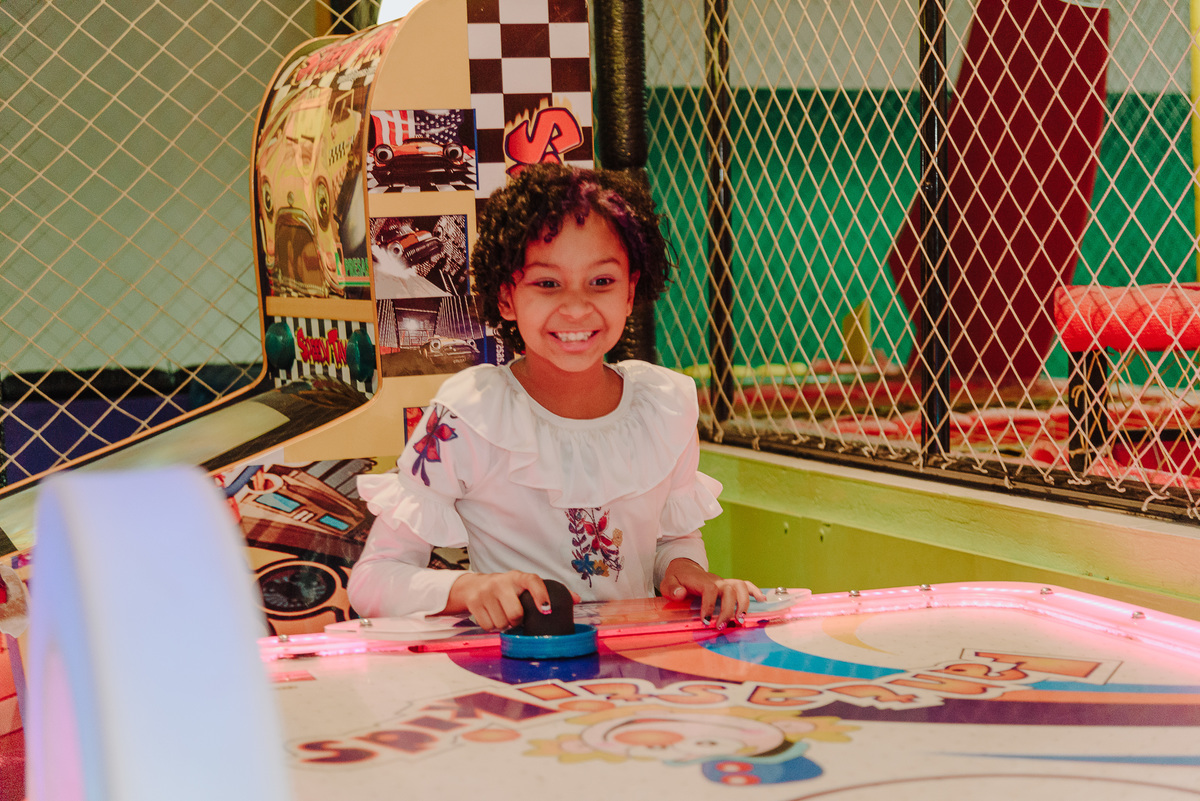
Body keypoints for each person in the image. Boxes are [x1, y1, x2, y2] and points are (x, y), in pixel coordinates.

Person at [348, 164, 764, 630]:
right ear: (506, 297)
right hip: (513, 683)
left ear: (630, 292)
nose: (576, 307)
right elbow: (373, 580)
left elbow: (671, 540)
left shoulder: (667, 404)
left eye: (601, 282)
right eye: (547, 283)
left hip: (637, 679)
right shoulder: (468, 413)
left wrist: (692, 577)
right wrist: (469, 590)